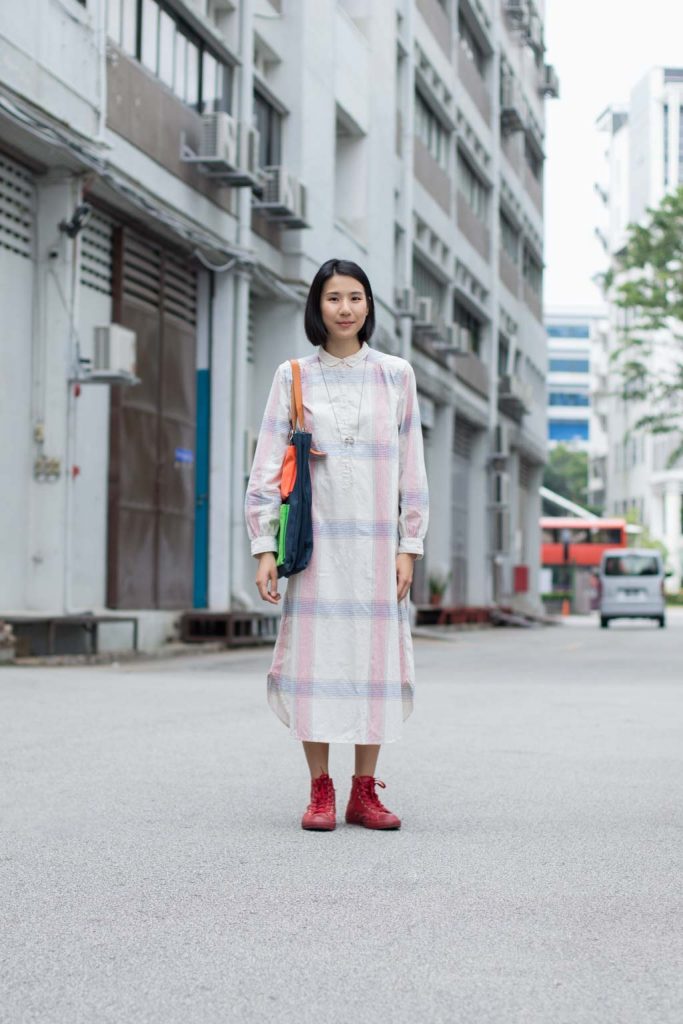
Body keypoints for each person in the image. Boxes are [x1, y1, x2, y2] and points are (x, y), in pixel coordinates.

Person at [244, 258, 429, 832]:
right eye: (333, 298)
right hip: (314, 549)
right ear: (317, 307)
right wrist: (264, 546)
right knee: (316, 663)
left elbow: (413, 466)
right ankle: (320, 789)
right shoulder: (292, 375)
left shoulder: (396, 375)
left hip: (376, 550)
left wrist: (409, 544)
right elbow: (267, 466)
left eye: (354, 297)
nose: (344, 309)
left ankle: (364, 793)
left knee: (373, 665)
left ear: (368, 305)